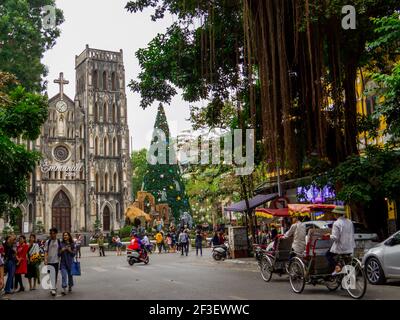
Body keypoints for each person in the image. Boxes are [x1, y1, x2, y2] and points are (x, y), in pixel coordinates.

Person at [325, 205, 356, 275]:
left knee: (328, 255)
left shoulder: (337, 223)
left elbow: (335, 237)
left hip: (341, 247)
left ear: (336, 214)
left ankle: (337, 267)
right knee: (345, 260)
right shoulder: (349, 222)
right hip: (350, 246)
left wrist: (328, 236)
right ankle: (340, 267)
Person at [44, 228, 61, 296]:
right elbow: (45, 251)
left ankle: (53, 288)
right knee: (51, 275)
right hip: (49, 261)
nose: (52, 235)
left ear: (56, 234)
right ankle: (53, 287)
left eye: (53, 233)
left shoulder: (59, 241)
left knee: (55, 275)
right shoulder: (47, 242)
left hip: (56, 261)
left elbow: (60, 250)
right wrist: (45, 259)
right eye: (51, 233)